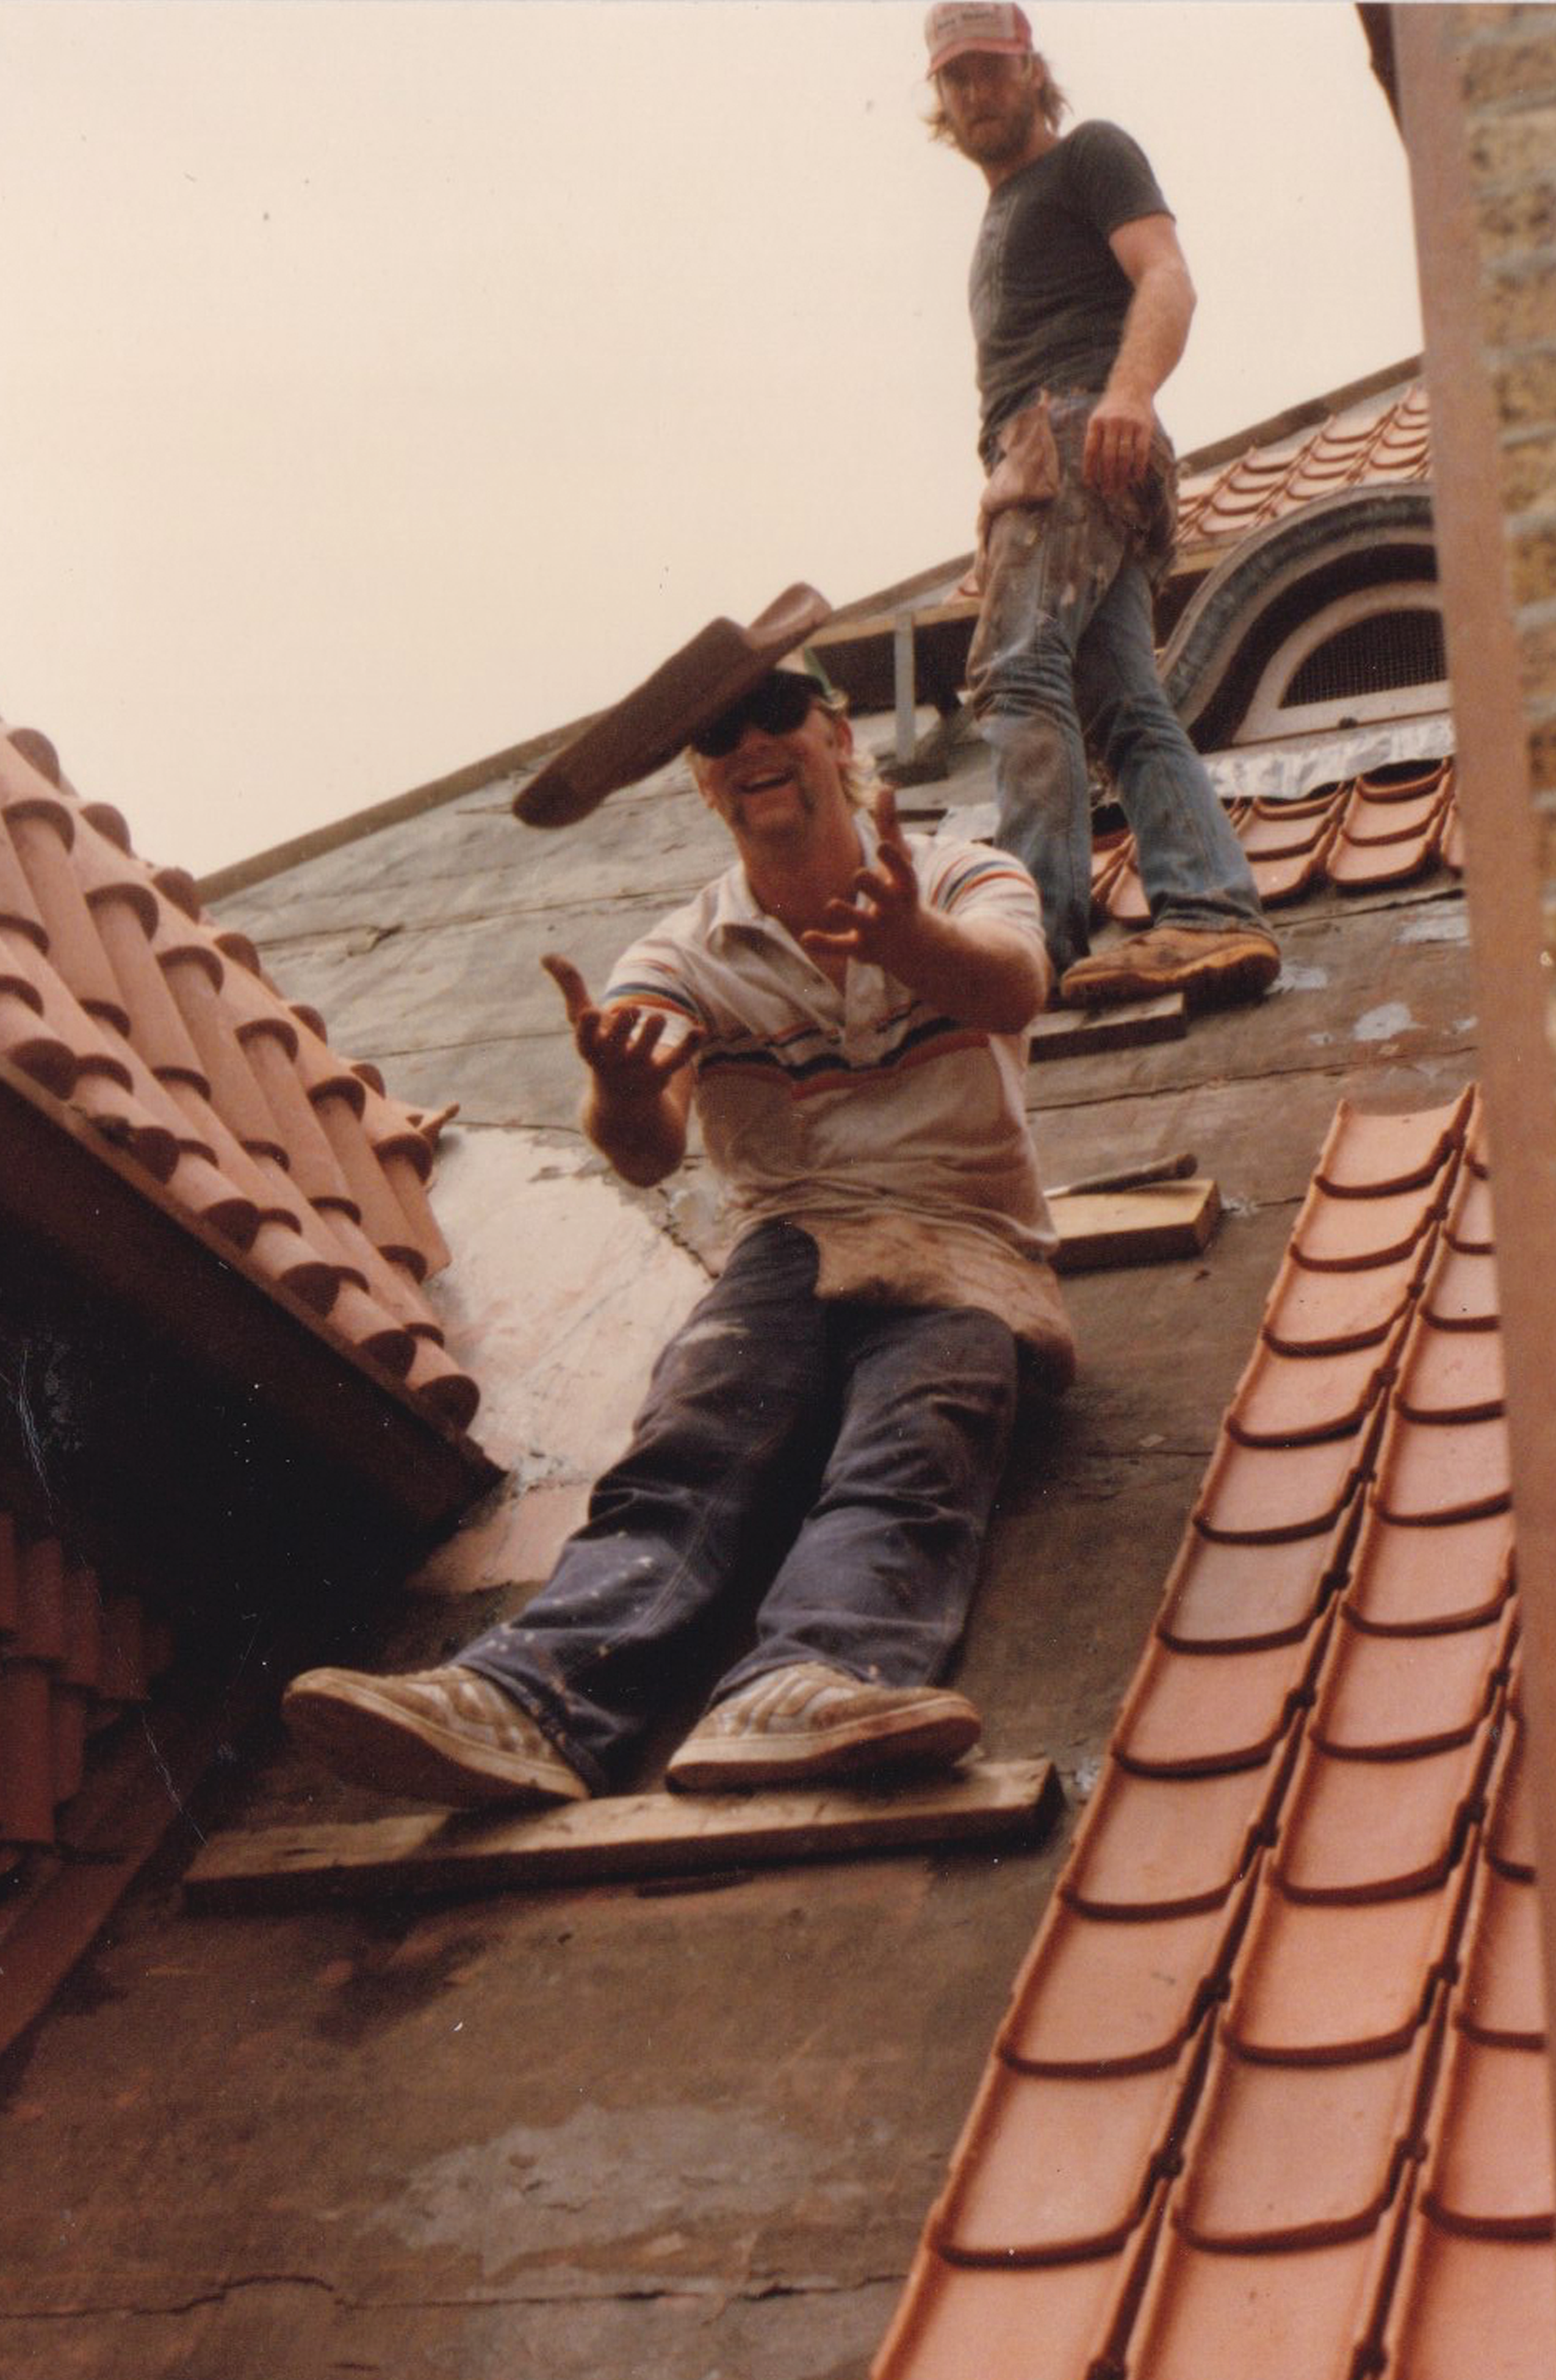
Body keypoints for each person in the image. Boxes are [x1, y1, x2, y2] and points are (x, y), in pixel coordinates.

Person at [284, 669, 1075, 1809]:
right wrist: (617, 1091)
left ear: (835, 736)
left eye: (776, 714)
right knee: (692, 1445)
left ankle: (812, 1682)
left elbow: (1012, 989)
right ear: (705, 783)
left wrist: (907, 935)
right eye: (717, 735)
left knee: (913, 1447)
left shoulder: (957, 871)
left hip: (967, 1238)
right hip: (792, 1237)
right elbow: (648, 1149)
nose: (749, 743)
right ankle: (528, 1699)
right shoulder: (681, 949)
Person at [924, 1, 1279, 1010]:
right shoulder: (1000, 215)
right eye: (956, 78)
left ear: (1033, 70)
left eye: (992, 69)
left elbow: (1165, 273)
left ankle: (1031, 938)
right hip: (1047, 459)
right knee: (1121, 699)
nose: (977, 92)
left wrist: (1129, 394)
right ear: (939, 98)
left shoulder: (1089, 154)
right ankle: (1208, 907)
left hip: (1079, 432)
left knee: (1015, 673)